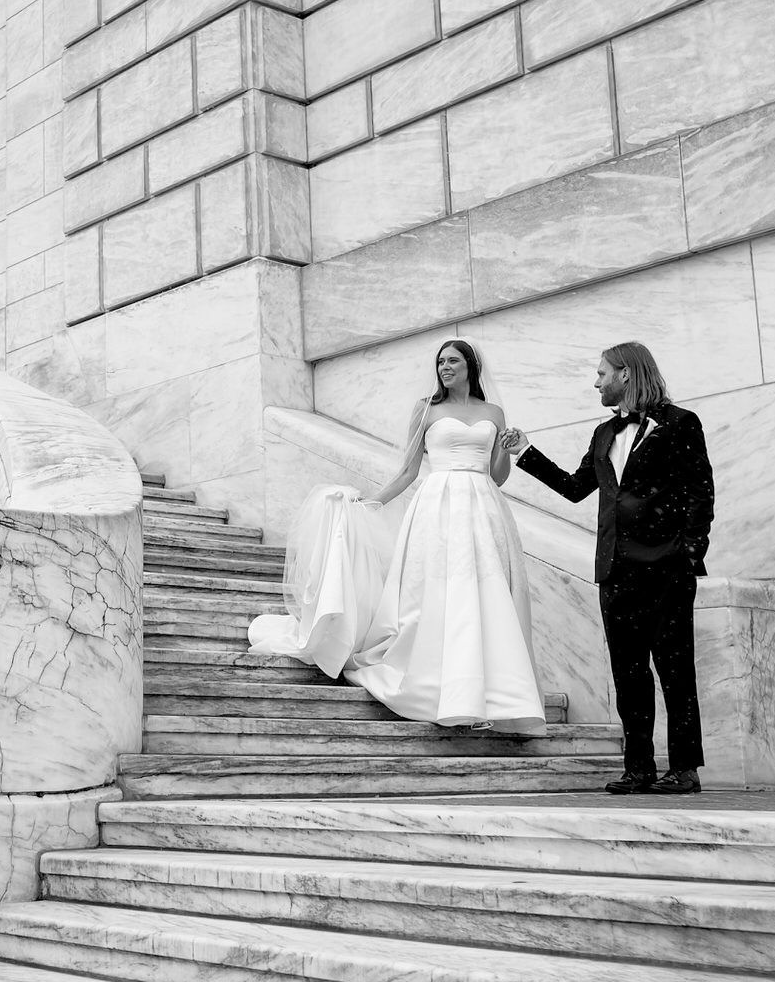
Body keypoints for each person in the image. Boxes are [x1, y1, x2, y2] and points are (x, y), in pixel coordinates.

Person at [249, 340, 548, 737]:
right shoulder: (426, 409)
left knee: (487, 595)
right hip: (437, 506)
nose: (444, 367)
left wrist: (508, 449)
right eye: (440, 361)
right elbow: (408, 470)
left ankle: (495, 693)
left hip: (484, 507)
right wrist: (372, 503)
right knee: (442, 595)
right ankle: (445, 687)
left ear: (470, 365)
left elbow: (497, 476)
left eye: (452, 361)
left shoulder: (493, 412)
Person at [500, 342, 714, 795]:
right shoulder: (602, 434)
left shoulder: (680, 424)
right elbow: (577, 488)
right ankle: (639, 768)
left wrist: (689, 555)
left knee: (676, 672)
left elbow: (701, 495)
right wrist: (526, 451)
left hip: (666, 570)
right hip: (615, 572)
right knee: (628, 673)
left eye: (601, 373)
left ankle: (685, 769)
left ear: (626, 374)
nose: (596, 382)